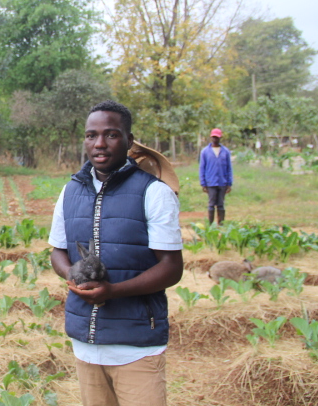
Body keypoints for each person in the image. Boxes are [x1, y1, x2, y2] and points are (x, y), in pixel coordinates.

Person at [48, 100, 183, 406]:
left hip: (135, 346)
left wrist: (113, 291)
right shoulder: (70, 191)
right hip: (85, 343)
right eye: (90, 135)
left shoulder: (154, 192)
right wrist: (72, 273)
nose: (99, 144)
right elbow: (57, 251)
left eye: (111, 135)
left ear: (129, 141)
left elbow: (172, 268)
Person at [199, 128, 233, 225]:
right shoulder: (205, 152)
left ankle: (221, 224)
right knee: (211, 204)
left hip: (222, 182)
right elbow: (202, 168)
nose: (215, 139)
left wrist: (229, 183)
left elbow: (229, 168)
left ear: (220, 138)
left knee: (221, 205)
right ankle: (210, 225)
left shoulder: (225, 152)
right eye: (213, 137)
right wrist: (203, 183)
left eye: (217, 137)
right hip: (211, 182)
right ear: (211, 137)